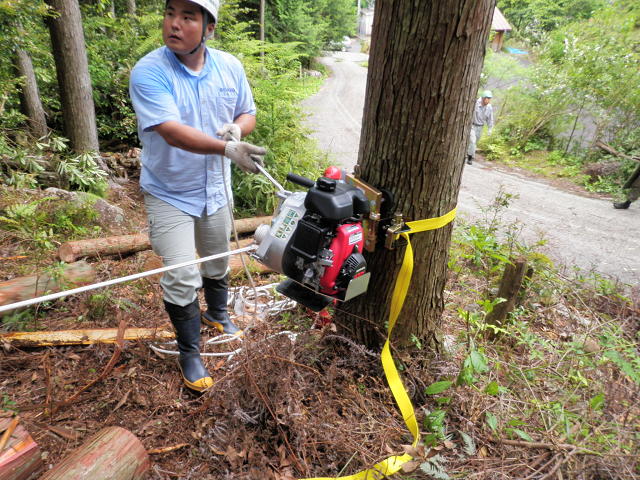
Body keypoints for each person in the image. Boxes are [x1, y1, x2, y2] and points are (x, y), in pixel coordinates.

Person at [129, 0, 266, 392]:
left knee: (217, 256)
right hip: (169, 191)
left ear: (209, 28)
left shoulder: (229, 67)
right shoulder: (149, 71)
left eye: (188, 17)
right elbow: (170, 131)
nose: (174, 24)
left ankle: (218, 314)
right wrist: (226, 150)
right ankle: (190, 352)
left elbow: (248, 112)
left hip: (215, 189)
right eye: (170, 13)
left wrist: (238, 130)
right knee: (181, 273)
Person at [466, 90, 494, 165]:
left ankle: (469, 154)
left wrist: (490, 129)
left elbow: (490, 119)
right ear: (483, 98)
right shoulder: (475, 103)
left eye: (489, 98)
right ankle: (470, 157)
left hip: (480, 127)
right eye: (487, 98)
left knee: (475, 143)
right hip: (472, 125)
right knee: (472, 141)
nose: (488, 100)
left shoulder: (489, 107)